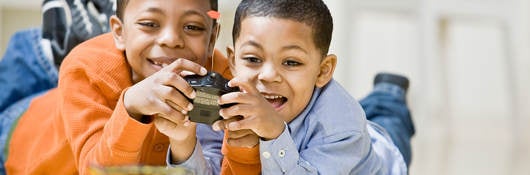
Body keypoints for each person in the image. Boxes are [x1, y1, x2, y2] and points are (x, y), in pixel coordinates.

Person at [2, 0, 229, 174]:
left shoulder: (222, 77)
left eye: (192, 27)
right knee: (34, 66)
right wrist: (131, 106)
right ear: (119, 33)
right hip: (18, 139)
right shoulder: (86, 67)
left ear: (211, 40)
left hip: (86, 93)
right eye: (150, 24)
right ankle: (45, 49)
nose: (171, 39)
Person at [209, 0, 414, 174]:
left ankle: (389, 92)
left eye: (291, 62)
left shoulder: (342, 130)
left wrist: (274, 134)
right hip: (329, 113)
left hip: (379, 158)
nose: (268, 75)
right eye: (253, 59)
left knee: (390, 122)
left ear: (323, 71)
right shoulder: (235, 98)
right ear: (233, 63)